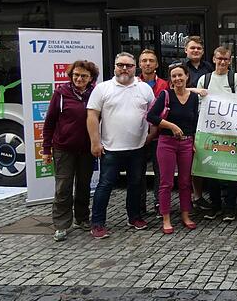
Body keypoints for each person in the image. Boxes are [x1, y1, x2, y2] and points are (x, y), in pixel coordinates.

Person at [87, 52, 155, 239]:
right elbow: (92, 116)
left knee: (135, 184)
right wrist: (95, 142)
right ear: (115, 66)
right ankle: (98, 223)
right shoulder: (102, 88)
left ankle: (134, 217)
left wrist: (150, 136)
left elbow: (155, 114)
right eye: (120, 65)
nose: (124, 69)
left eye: (129, 65)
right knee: (105, 185)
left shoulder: (145, 89)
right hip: (111, 148)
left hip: (137, 147)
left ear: (135, 67)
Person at [42, 60, 99, 242]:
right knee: (63, 187)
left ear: (91, 78)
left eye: (83, 76)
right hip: (63, 149)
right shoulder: (60, 93)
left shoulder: (95, 93)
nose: (79, 78)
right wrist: (46, 149)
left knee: (84, 185)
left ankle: (82, 219)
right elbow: (50, 122)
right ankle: (61, 224)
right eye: (76, 75)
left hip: (87, 149)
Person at [146, 63, 199, 234]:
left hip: (186, 143)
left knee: (185, 182)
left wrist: (195, 141)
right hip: (166, 142)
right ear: (171, 79)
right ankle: (166, 218)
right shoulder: (166, 95)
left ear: (186, 77)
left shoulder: (192, 97)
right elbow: (151, 116)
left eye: (180, 75)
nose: (177, 79)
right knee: (166, 182)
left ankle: (185, 215)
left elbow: (195, 121)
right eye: (174, 76)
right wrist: (172, 126)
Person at [196, 46, 237, 222]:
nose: (222, 62)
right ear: (214, 59)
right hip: (210, 132)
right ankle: (215, 205)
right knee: (211, 171)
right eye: (219, 58)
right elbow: (199, 105)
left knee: (230, 171)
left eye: (225, 59)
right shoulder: (205, 79)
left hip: (230, 133)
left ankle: (230, 208)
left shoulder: (235, 78)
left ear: (230, 61)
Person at [181, 36, 215, 212]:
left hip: (206, 118)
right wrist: (195, 90)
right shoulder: (180, 68)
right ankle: (192, 198)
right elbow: (173, 88)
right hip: (187, 117)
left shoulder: (209, 67)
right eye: (192, 48)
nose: (195, 51)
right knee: (189, 160)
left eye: (198, 49)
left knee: (203, 157)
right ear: (186, 50)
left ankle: (202, 196)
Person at [138, 49, 168, 217]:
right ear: (139, 64)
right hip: (138, 135)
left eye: (151, 60)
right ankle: (140, 205)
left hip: (159, 136)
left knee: (160, 172)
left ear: (156, 64)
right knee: (138, 172)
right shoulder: (132, 83)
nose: (147, 63)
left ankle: (159, 203)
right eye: (144, 60)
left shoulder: (164, 84)